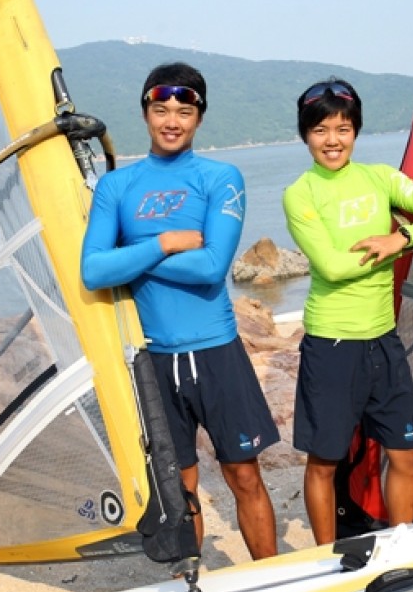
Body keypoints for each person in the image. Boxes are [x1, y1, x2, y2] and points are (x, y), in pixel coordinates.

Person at [81, 62, 278, 560]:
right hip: (154, 360)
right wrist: (164, 243)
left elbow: (212, 268)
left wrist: (130, 257)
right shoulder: (115, 188)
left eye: (184, 110)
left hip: (217, 353)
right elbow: (91, 272)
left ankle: (269, 575)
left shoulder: (220, 177)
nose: (172, 120)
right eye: (161, 108)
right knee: (178, 482)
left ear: (199, 117)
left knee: (243, 475)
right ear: (145, 112)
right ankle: (189, 583)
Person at [282, 78, 413, 545]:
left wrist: (402, 237)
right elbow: (330, 266)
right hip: (333, 344)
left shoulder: (380, 178)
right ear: (305, 134)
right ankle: (327, 561)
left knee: (405, 452)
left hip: (384, 341)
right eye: (321, 130)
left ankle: (401, 549)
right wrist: (399, 247)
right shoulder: (301, 193)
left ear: (357, 130)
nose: (333, 140)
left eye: (343, 128)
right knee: (324, 460)